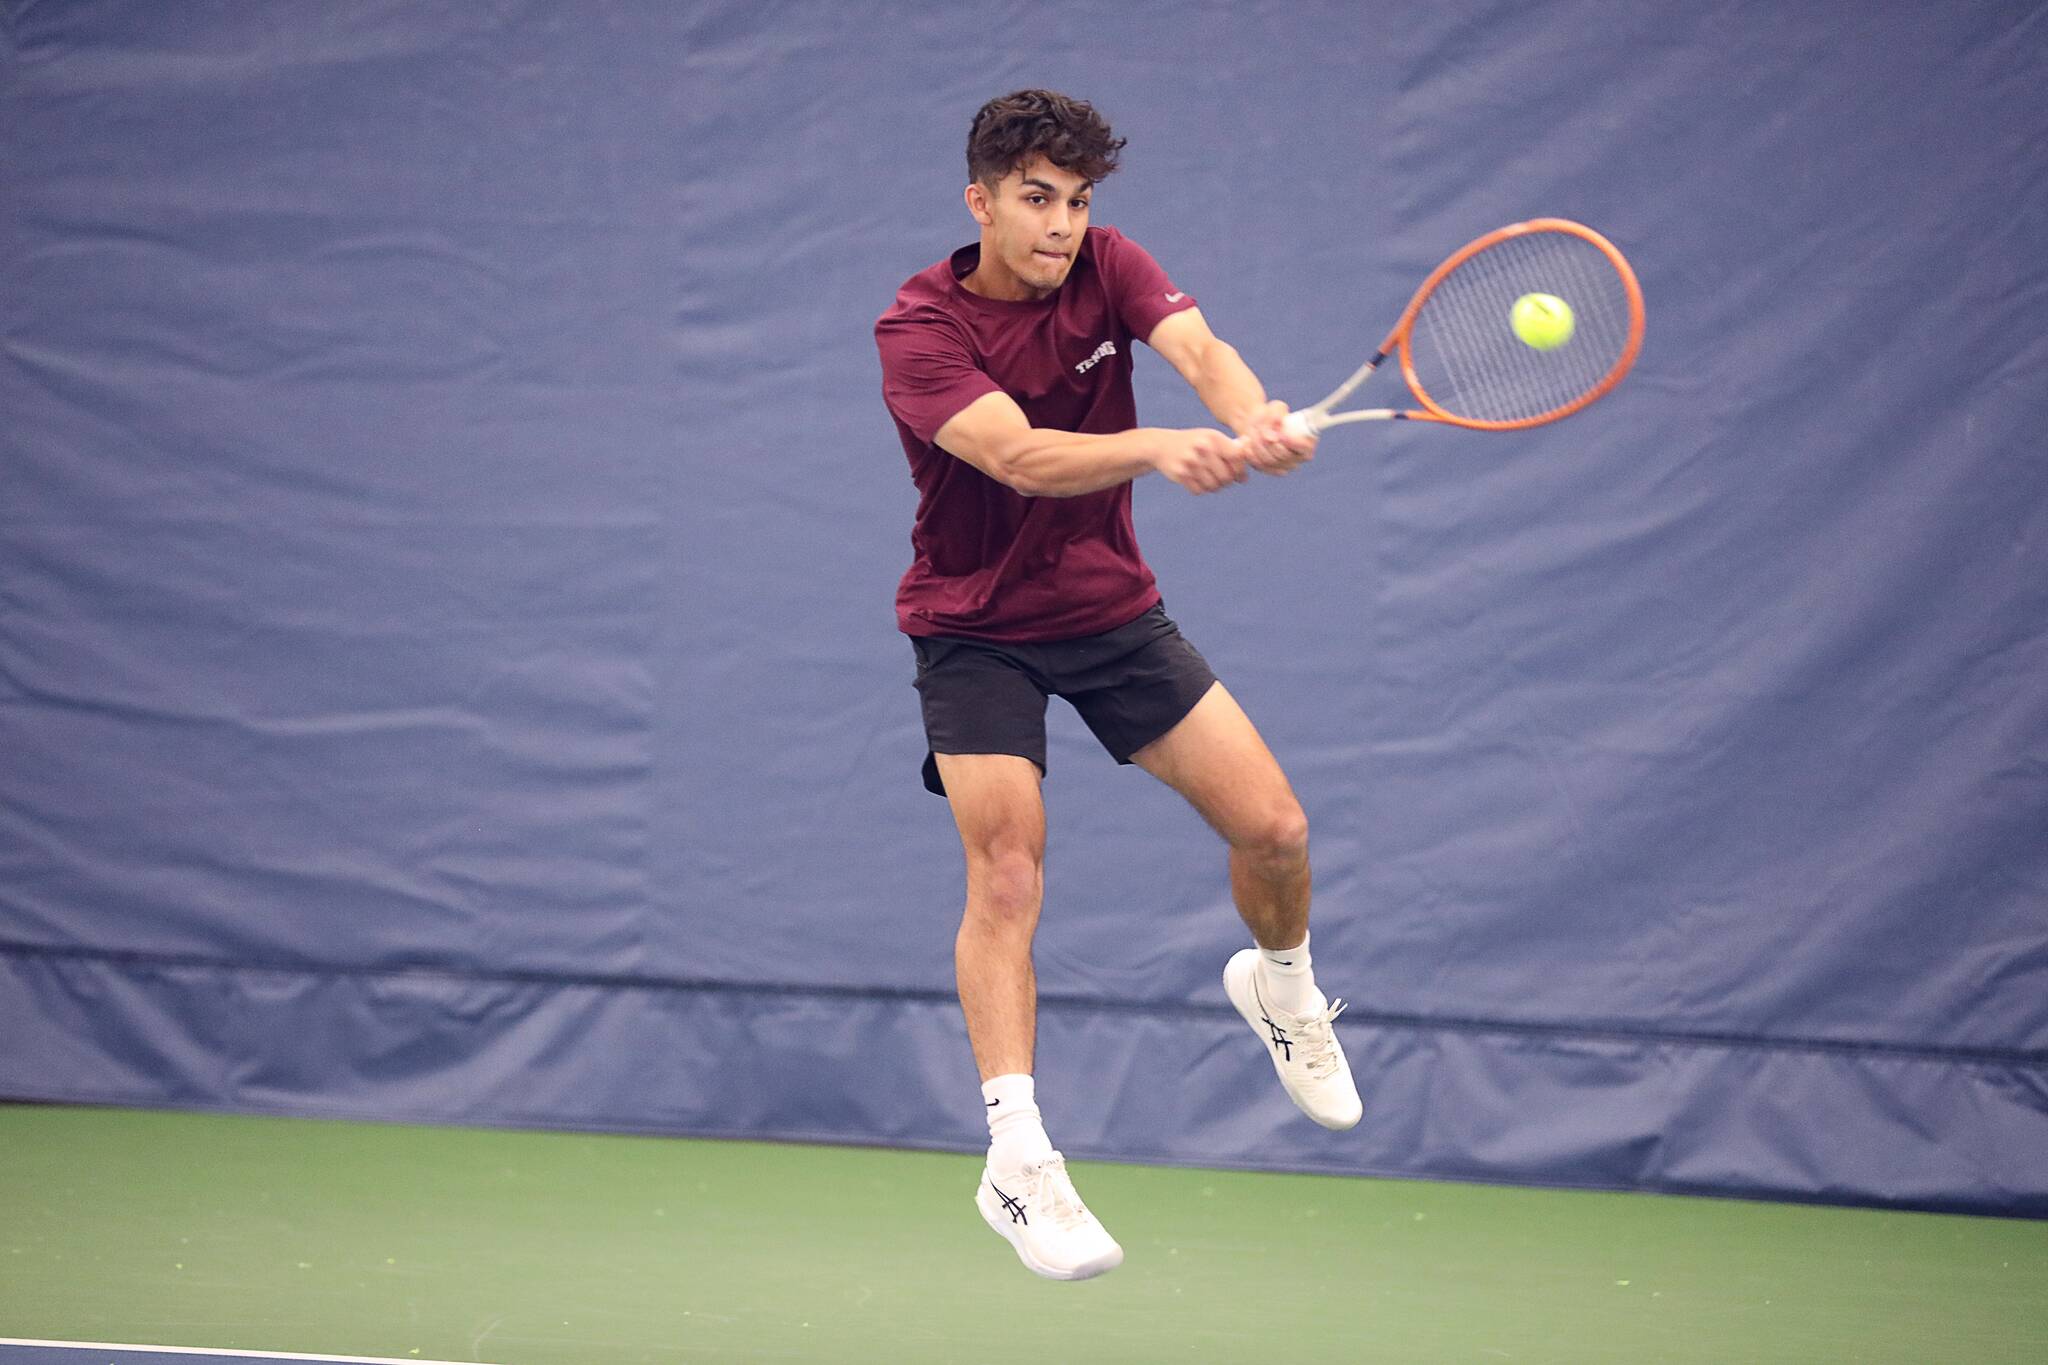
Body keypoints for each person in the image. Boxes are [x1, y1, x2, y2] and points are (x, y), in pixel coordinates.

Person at [874, 89, 1361, 1282]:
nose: (1060, 226)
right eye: (1036, 200)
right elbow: (1017, 455)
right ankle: (1018, 1158)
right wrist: (1156, 449)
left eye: (1078, 202)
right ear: (979, 200)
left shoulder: (1110, 266)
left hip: (1107, 611)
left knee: (1276, 832)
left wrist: (1252, 418)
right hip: (975, 627)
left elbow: (1196, 348)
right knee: (1007, 867)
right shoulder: (917, 329)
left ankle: (1280, 986)